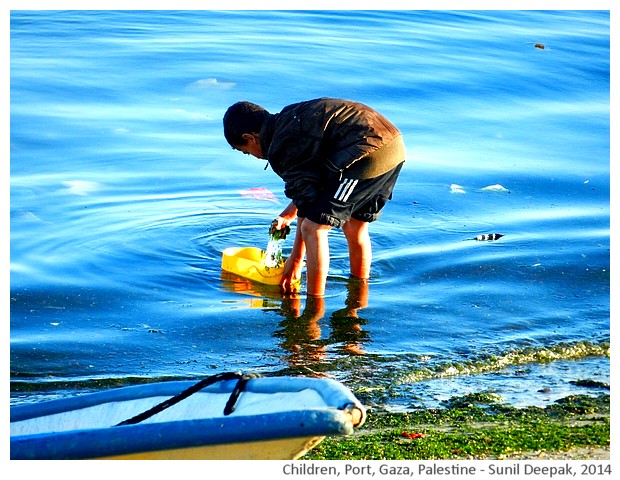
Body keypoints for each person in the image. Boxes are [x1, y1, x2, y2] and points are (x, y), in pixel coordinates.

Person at [223, 97, 405, 297]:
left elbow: (308, 203)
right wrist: (288, 214)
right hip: (392, 145)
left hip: (367, 153)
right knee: (354, 226)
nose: (255, 157)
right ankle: (360, 291)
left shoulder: (282, 144)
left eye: (247, 152)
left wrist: (294, 260)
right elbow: (312, 184)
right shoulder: (287, 119)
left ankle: (314, 307)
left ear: (250, 137)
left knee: (313, 228)